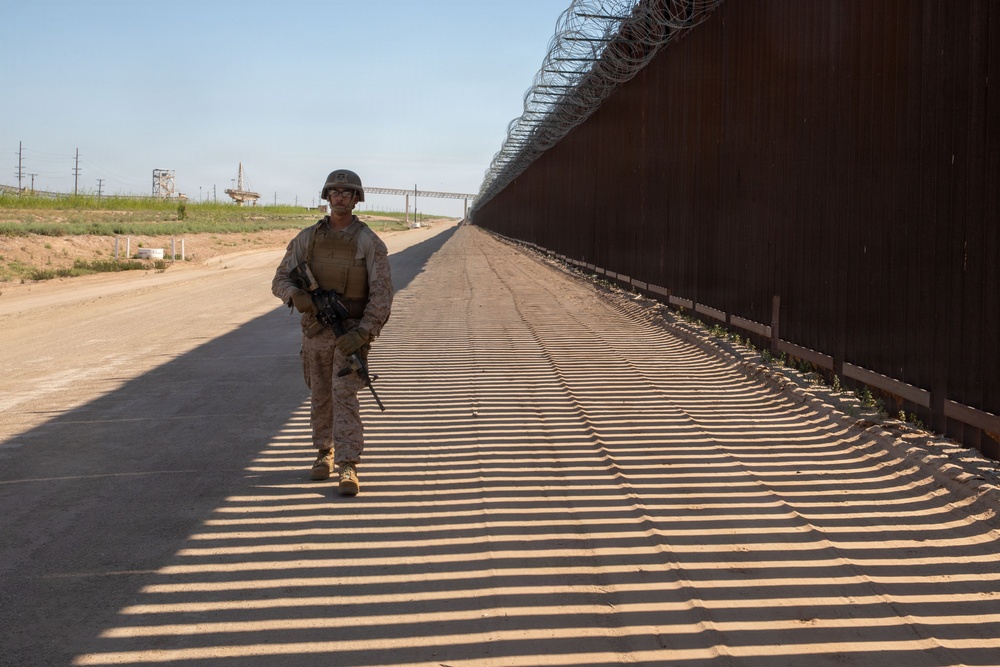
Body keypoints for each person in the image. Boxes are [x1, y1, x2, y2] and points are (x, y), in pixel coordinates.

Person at [272, 169, 393, 496]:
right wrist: (296, 296)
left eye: (347, 192)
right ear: (327, 197)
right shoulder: (307, 238)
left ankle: (348, 463)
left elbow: (382, 292)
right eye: (334, 192)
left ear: (356, 199)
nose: (340, 197)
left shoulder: (369, 241)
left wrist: (365, 332)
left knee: (344, 393)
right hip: (315, 332)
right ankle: (324, 451)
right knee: (320, 394)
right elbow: (280, 280)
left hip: (350, 332)